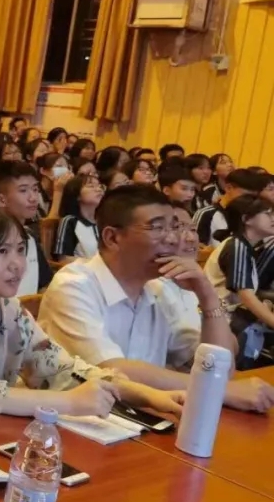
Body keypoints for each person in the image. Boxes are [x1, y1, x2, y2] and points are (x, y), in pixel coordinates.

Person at [0, 201, 183, 417]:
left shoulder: (8, 310)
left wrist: (147, 395)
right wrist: (70, 403)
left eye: (20, 250)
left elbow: (61, 369)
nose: (17, 264)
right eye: (1, 251)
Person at [37, 185, 274, 412]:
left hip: (146, 421)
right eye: (157, 228)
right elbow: (112, 371)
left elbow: (219, 368)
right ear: (113, 238)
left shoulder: (159, 289)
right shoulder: (74, 285)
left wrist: (208, 297)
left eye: (174, 227)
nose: (173, 239)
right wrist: (217, 390)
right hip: (69, 422)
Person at [203, 194, 274, 368]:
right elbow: (247, 298)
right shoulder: (237, 246)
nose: (273, 218)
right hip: (222, 323)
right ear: (246, 219)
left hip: (230, 319)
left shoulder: (244, 246)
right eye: (268, 214)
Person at [0, 161, 52, 296]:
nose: (33, 198)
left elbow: (44, 285)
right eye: (23, 190)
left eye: (35, 189)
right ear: (1, 200)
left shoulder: (30, 236)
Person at [193, 168, 270, 246]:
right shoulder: (206, 214)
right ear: (229, 188)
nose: (249, 200)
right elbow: (195, 246)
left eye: (254, 197)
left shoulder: (253, 217)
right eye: (246, 195)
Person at [52, 173, 103, 263]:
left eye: (99, 186)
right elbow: (63, 259)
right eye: (91, 186)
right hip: (83, 270)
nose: (98, 189)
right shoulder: (70, 221)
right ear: (77, 195)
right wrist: (96, 264)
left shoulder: (105, 221)